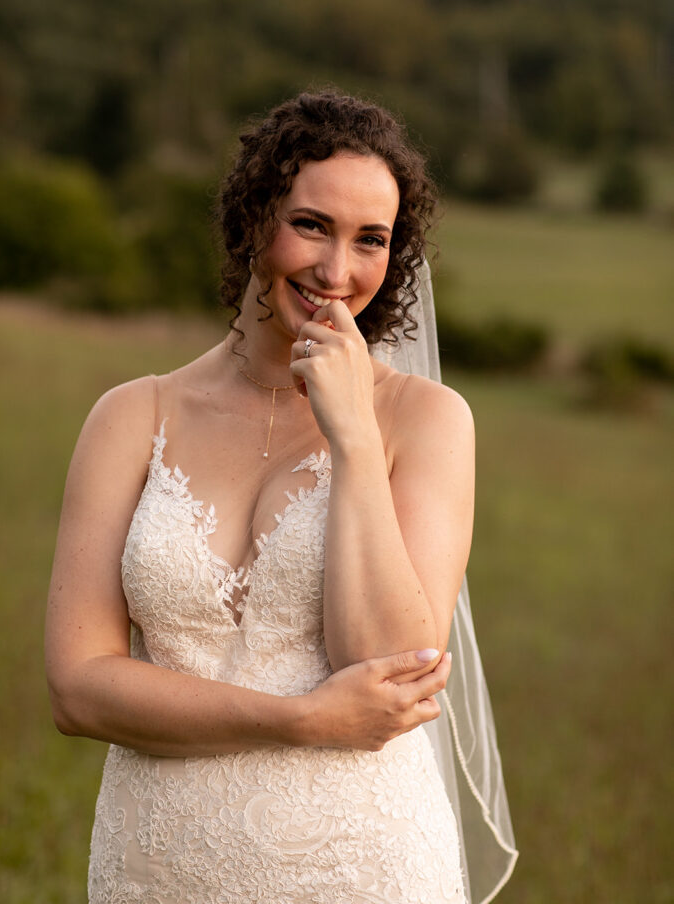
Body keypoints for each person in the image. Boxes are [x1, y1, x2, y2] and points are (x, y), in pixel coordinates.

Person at [45, 90, 516, 903]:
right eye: (310, 225)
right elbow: (77, 687)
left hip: (361, 866)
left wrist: (354, 438)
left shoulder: (427, 421)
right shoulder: (131, 416)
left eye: (370, 240)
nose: (338, 273)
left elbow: (387, 664)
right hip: (155, 867)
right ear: (252, 218)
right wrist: (298, 720)